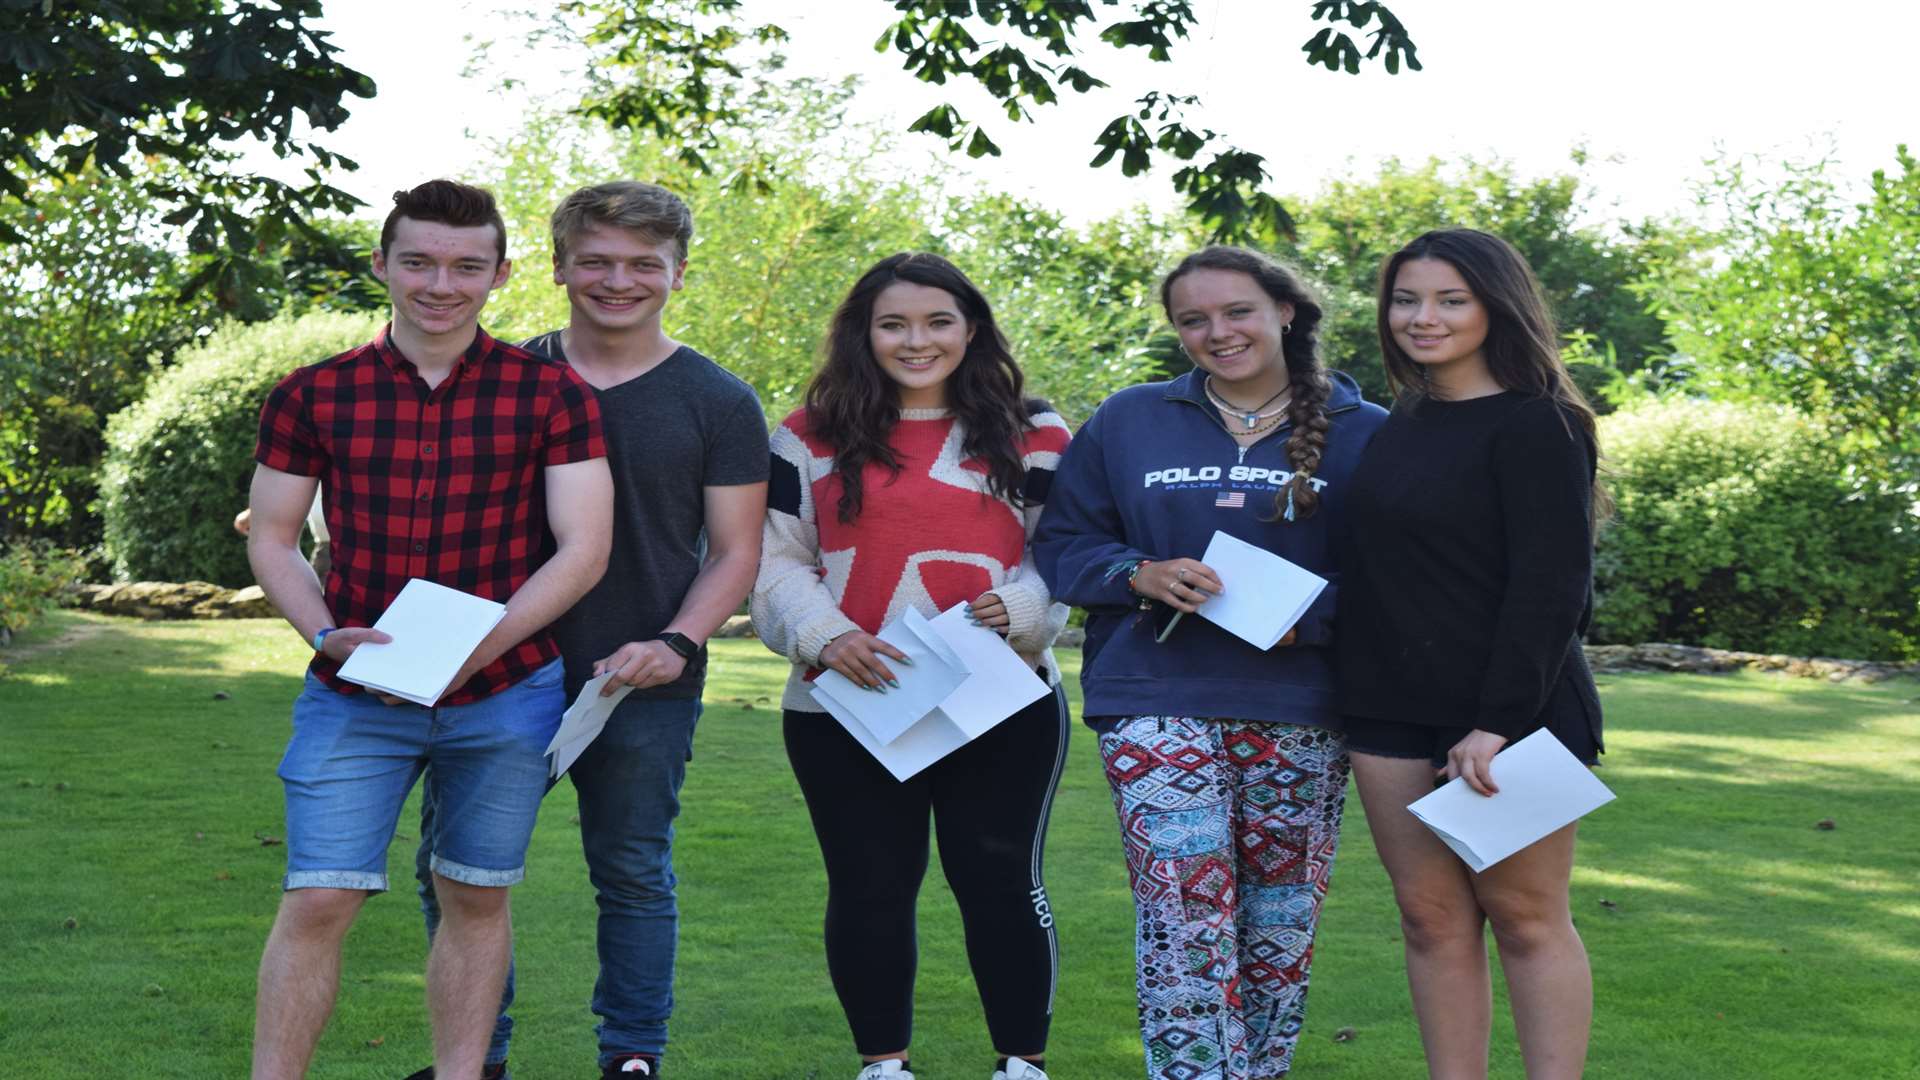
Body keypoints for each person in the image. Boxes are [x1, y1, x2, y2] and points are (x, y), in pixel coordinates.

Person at [244, 179, 613, 1080]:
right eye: (417, 261)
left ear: (499, 274)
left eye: (464, 266)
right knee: (320, 897)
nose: (439, 283)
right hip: (355, 691)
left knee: (474, 896)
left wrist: (478, 647)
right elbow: (276, 538)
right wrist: (323, 633)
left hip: (505, 691)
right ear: (382, 264)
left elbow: (584, 549)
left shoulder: (551, 395)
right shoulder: (312, 395)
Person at [405, 180, 770, 1080]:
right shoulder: (493, 376)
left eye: (643, 264)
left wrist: (677, 643)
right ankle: (476, 1061)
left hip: (638, 680)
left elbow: (734, 553)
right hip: (492, 676)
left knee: (634, 873)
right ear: (560, 265)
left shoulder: (718, 401)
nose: (618, 280)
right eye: (596, 260)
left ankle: (631, 1058)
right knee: (455, 876)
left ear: (678, 274)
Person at [1033, 246, 1387, 1080]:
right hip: (1155, 697)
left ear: (1284, 311)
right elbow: (1063, 542)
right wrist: (1137, 573)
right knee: (1183, 915)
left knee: (1279, 925)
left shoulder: (1367, 433)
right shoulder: (1128, 420)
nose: (1216, 332)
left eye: (1235, 312)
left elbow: (1407, 576)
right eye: (1193, 320)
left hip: (1303, 705)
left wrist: (1316, 619)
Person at [752, 252, 1072, 1080]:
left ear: (971, 327)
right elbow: (775, 560)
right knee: (869, 886)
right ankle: (884, 1065)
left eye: (938, 321)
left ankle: (1022, 1065)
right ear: (864, 331)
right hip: (847, 703)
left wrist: (1028, 609)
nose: (916, 340)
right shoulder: (808, 433)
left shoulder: (1036, 432)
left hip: (1000, 699)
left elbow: (1065, 554)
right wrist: (827, 637)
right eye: (893, 323)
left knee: (999, 881)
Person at [1335, 227, 1607, 1080]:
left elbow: (1552, 589)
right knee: (1428, 920)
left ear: (1497, 306)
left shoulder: (1542, 425)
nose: (1424, 318)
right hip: (1386, 710)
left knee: (1526, 919)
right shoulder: (1400, 421)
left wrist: (1497, 722)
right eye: (1406, 299)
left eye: (1451, 299)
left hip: (1507, 715)